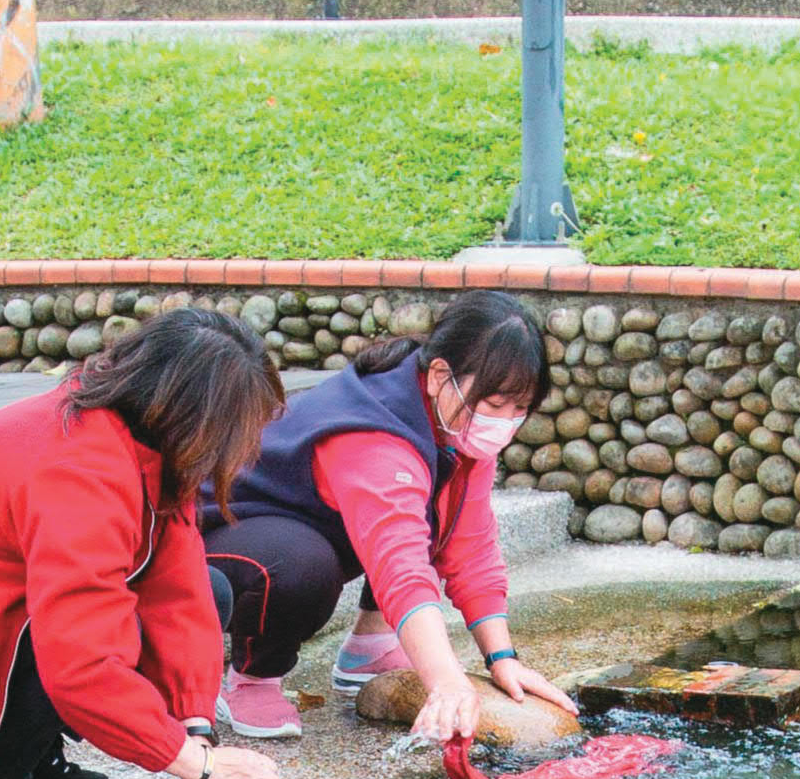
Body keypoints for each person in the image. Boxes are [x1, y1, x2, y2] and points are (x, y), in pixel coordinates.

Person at [0, 309, 293, 779]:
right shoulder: (80, 472)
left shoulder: (142, 434)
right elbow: (82, 665)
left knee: (209, 589)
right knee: (71, 636)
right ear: (198, 418)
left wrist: (194, 725)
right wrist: (199, 767)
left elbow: (179, 590)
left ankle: (33, 753)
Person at [206, 292, 576, 748]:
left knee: (430, 506)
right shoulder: (374, 432)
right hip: (223, 529)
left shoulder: (454, 420)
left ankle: (369, 646)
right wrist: (446, 681)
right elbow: (399, 563)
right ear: (442, 374)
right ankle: (251, 678)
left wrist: (502, 657)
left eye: (520, 410)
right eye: (496, 404)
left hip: (314, 520)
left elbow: (470, 544)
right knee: (302, 567)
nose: (505, 422)